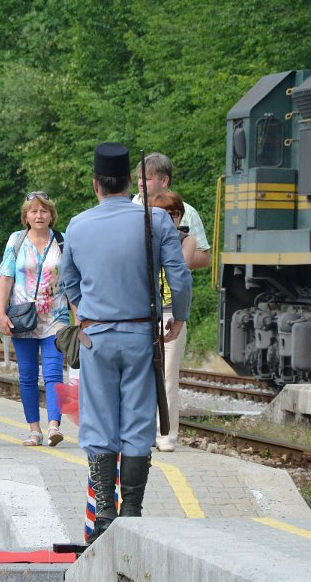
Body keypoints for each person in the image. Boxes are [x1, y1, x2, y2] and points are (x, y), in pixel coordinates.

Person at [60, 142, 192, 542]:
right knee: (137, 422)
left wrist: (84, 311)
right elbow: (180, 276)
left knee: (99, 421)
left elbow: (67, 279)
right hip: (140, 334)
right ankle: (132, 510)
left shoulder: (79, 224)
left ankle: (103, 513)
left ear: (96, 183)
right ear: (128, 182)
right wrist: (180, 317)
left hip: (96, 336)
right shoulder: (155, 220)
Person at [0, 191, 69, 447]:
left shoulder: (62, 241)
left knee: (53, 374)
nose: (39, 215)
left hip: (56, 317)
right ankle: (33, 430)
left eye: (44, 211)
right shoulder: (16, 240)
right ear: (26, 215)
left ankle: (53, 426)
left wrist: (79, 317)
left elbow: (72, 280)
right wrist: (1, 313)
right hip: (23, 318)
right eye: (33, 211)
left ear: (51, 215)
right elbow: (6, 277)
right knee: (27, 375)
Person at [148, 191, 195, 452]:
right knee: (143, 374)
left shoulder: (185, 240)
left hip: (171, 313)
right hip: (147, 313)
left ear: (179, 216)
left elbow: (180, 269)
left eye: (173, 214)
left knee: (167, 376)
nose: (168, 218)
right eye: (161, 214)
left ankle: (166, 433)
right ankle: (145, 430)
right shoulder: (142, 240)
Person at [133, 152, 210, 269]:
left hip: (172, 285)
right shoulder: (128, 208)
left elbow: (204, 258)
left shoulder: (187, 212)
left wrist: (173, 259)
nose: (140, 183)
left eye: (146, 179)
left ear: (164, 181)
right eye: (139, 178)